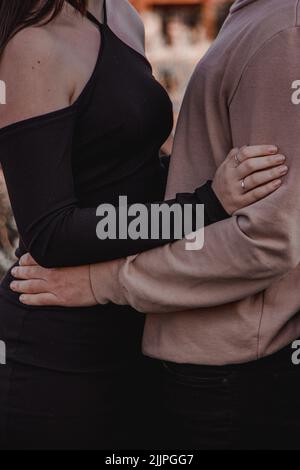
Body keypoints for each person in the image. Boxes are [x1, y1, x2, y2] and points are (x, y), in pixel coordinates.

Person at [13, 0, 300, 450]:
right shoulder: (32, 42)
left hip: (140, 329)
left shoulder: (120, 14)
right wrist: (202, 204)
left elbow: (135, 174)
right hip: (62, 337)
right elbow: (51, 234)